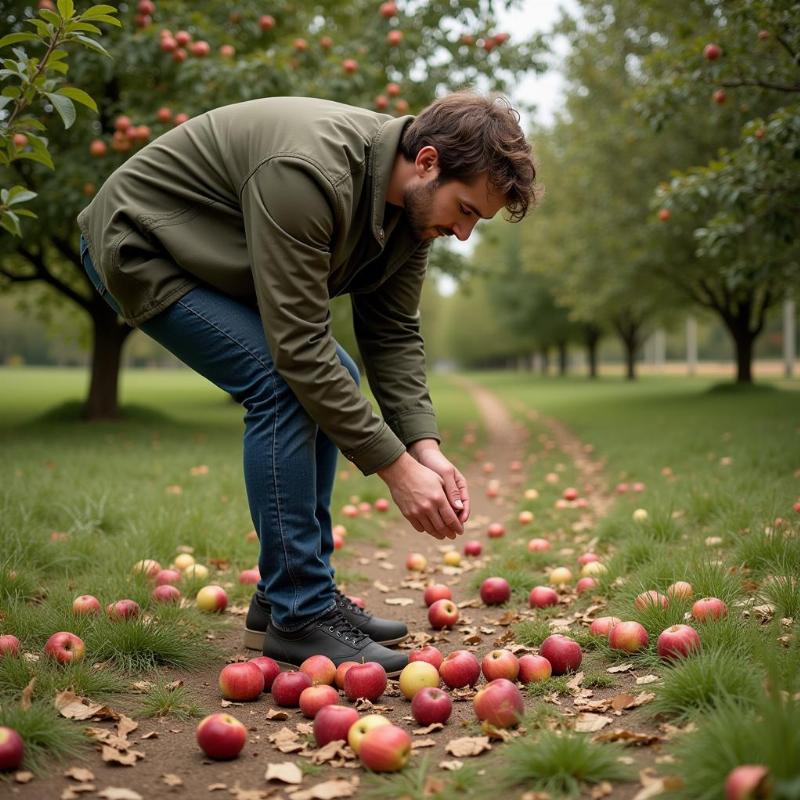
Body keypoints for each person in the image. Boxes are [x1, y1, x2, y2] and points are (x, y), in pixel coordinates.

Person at [77, 90, 536, 676]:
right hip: (143, 243)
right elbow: (297, 348)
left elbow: (392, 333)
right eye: (467, 210)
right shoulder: (308, 172)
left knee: (334, 374)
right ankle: (301, 614)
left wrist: (426, 448)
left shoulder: (414, 216)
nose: (464, 233)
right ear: (426, 162)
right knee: (280, 380)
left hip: (212, 259)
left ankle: (284, 597)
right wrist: (397, 470)